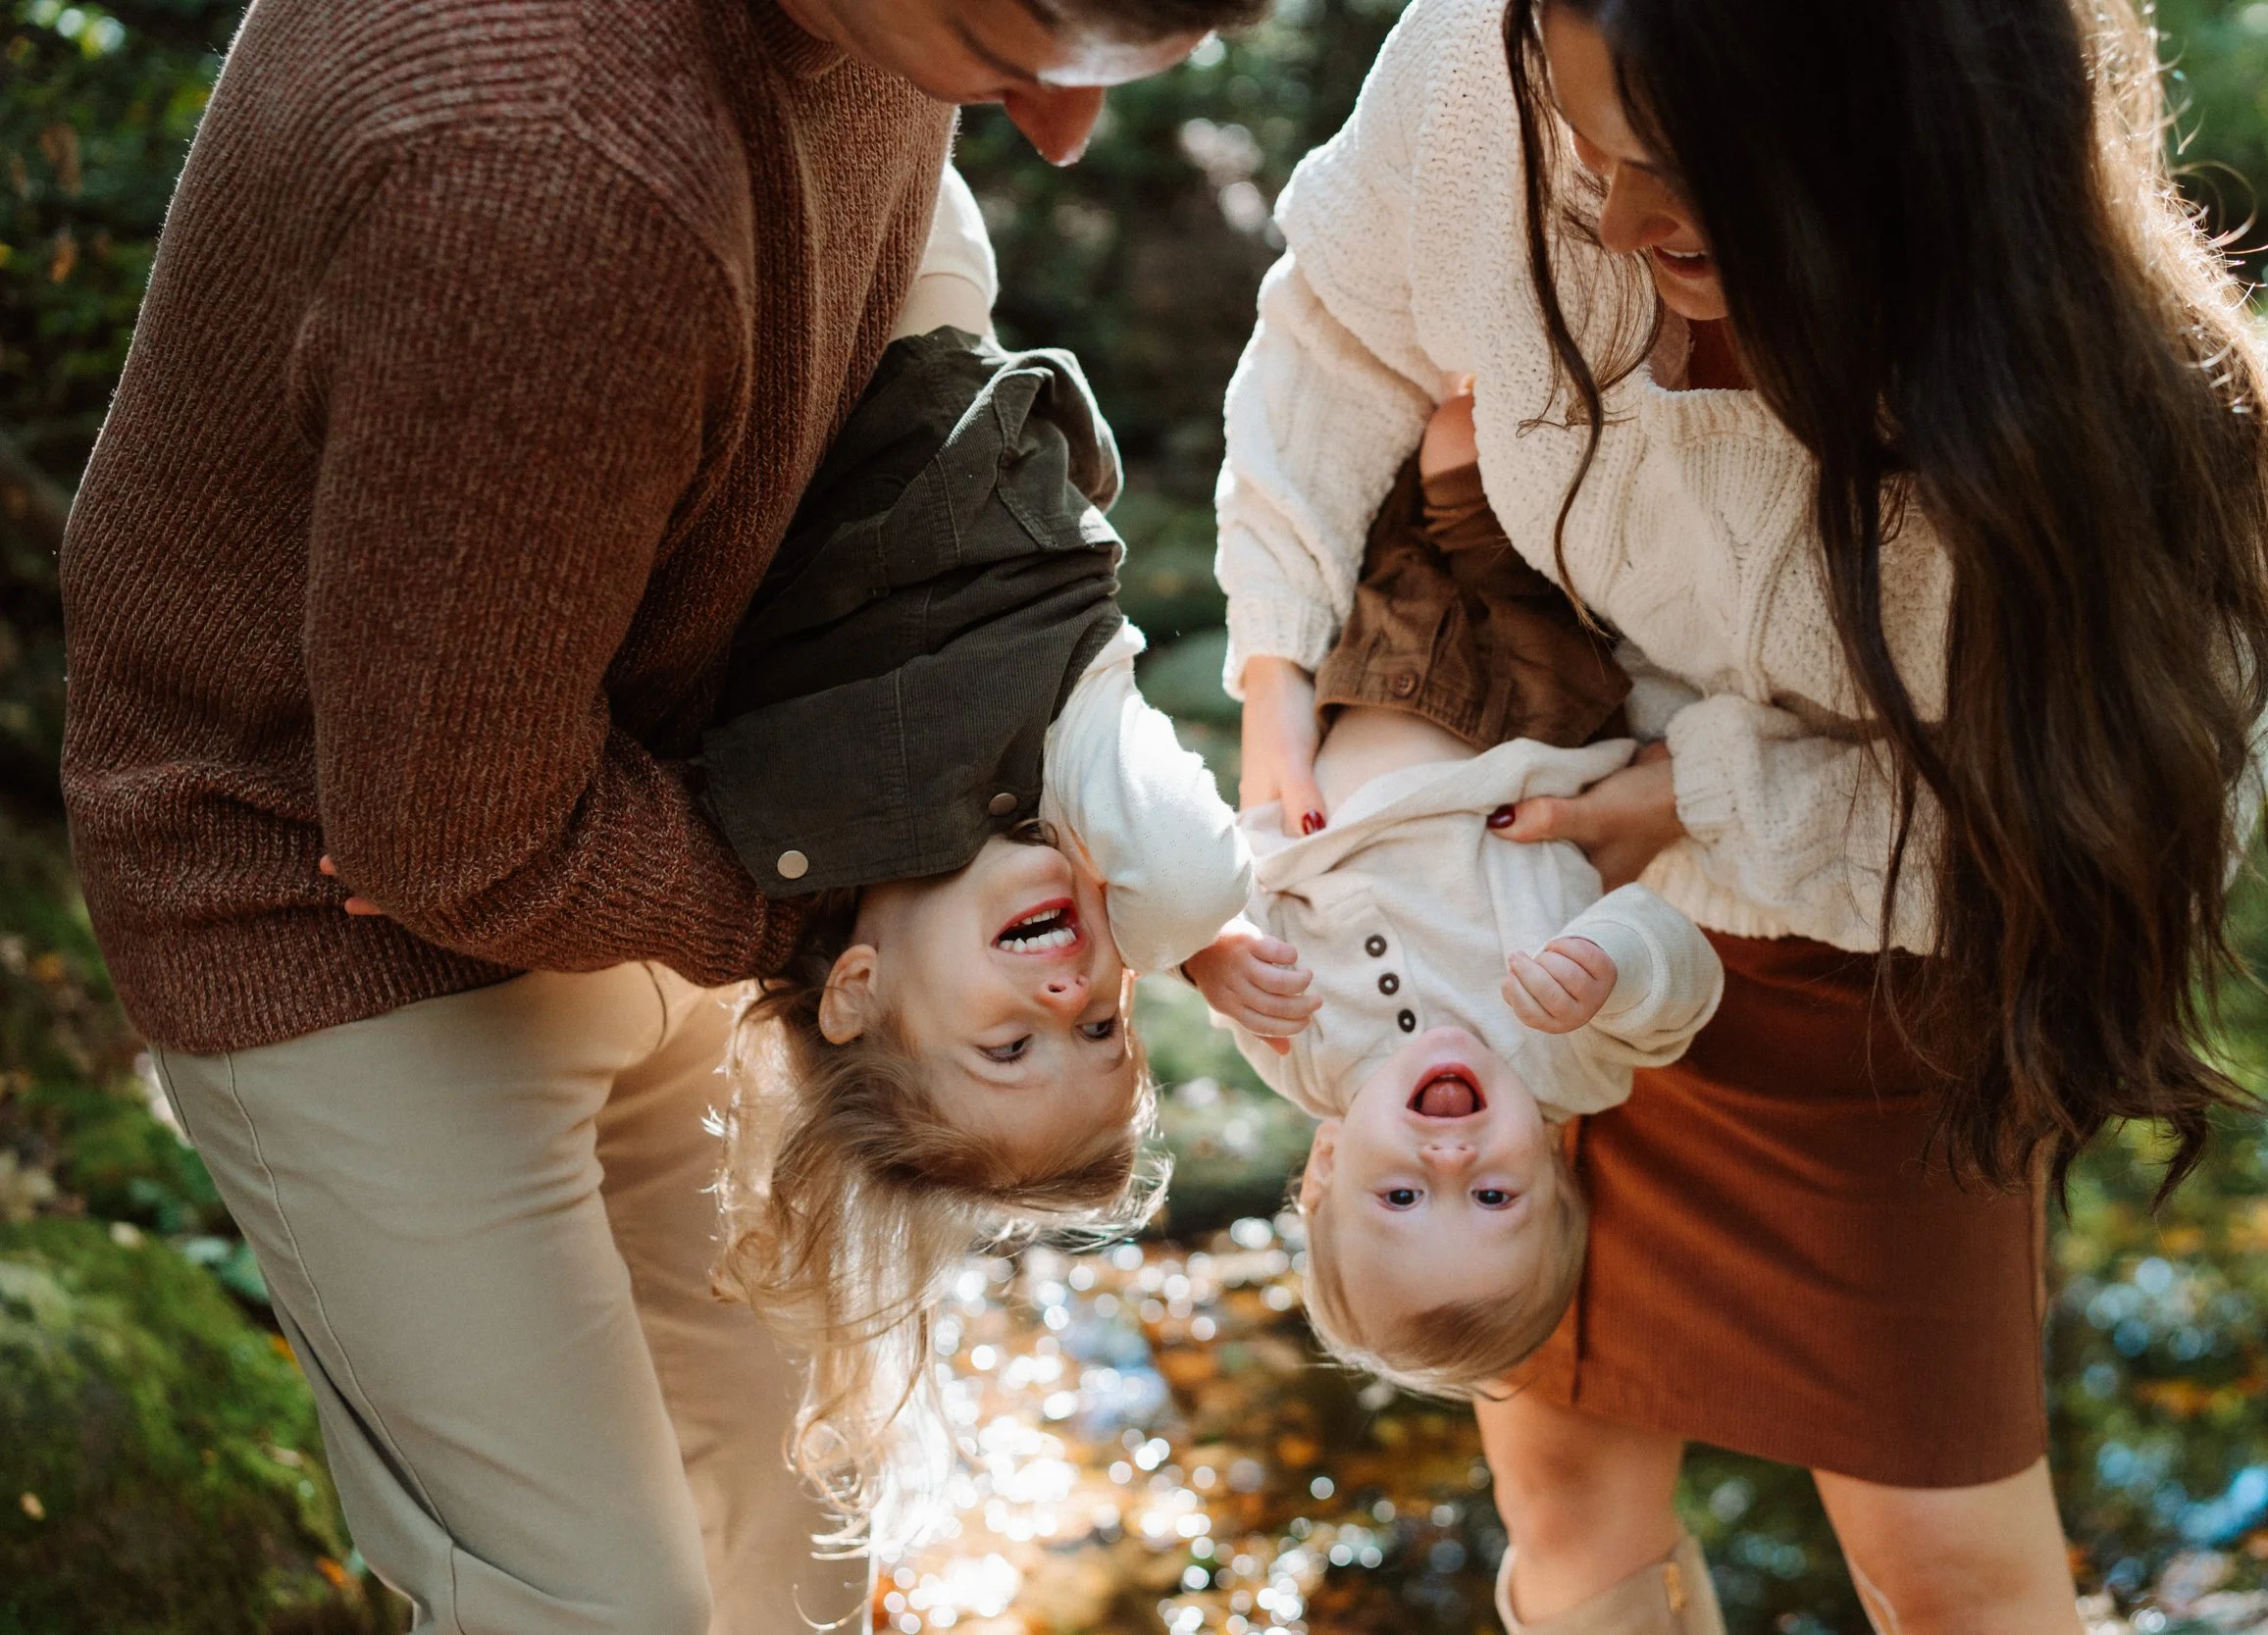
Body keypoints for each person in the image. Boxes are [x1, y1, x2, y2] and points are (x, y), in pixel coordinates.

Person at [56, 0, 1261, 1629]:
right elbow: (450, 842)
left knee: (803, 1523)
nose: (1060, 131)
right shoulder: (550, 167)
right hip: (328, 892)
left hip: (674, 811)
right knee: (592, 1602)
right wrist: (829, 916)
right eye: (1013, 46)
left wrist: (866, 892)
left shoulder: (851, 51)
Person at [1216, 0, 2268, 1629]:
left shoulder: (2140, 446)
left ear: (1898, 154)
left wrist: (1696, 800)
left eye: (1670, 167)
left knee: (1952, 1568)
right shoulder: (1490, 62)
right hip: (1514, 938)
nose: (1607, 216)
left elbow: (2111, 824)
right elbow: (1341, 325)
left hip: (1868, 986)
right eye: (1589, 149)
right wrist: (1274, 659)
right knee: (1573, 1510)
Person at [700, 191, 1279, 1525]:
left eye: (1010, 1048)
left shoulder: (755, 850)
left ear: (853, 993)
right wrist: (1190, 931)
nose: (1067, 998)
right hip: (907, 282)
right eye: (1107, 1027)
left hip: (744, 365)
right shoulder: (1065, 757)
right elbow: (1187, 872)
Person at [1204, 387, 1723, 1398]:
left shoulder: (1306, 1055)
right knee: (1466, 443)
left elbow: (1227, 905)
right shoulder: (1571, 1061)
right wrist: (1613, 962)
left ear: (1325, 1167)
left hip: (1354, 676)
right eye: (1492, 1192)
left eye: (1399, 1191)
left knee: (1348, 465)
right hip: (1519, 709)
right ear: (1553, 1163)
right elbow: (1682, 971)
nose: (1447, 1153)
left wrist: (1207, 947)